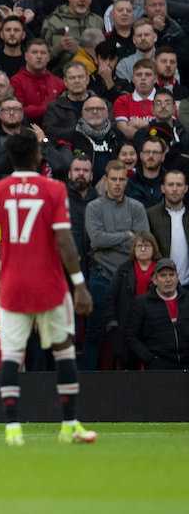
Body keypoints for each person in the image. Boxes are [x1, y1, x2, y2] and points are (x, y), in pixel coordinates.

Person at [0, 130, 97, 445]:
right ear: (37, 157)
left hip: (13, 286)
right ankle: (70, 425)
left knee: (12, 356)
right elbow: (63, 239)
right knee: (63, 351)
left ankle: (13, 429)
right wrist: (79, 284)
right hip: (50, 285)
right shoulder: (53, 188)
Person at [84, 159, 149, 370]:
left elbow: (141, 244)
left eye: (122, 179)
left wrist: (107, 241)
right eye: (114, 179)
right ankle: (87, 382)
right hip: (101, 277)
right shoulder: (94, 207)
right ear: (105, 180)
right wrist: (126, 236)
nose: (118, 183)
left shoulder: (137, 207)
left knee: (133, 332)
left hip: (130, 278)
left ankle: (132, 382)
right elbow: (96, 238)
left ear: (127, 181)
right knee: (94, 332)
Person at [105, 231, 160, 369]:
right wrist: (113, 326)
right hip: (128, 327)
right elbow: (110, 299)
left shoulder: (162, 270)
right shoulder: (123, 270)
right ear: (133, 249)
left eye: (147, 246)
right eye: (139, 246)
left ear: (154, 249)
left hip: (154, 328)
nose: (142, 249)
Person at [124, 257, 189, 368]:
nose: (168, 280)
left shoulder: (187, 299)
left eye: (171, 275)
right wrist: (149, 358)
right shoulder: (141, 303)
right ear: (154, 279)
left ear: (177, 277)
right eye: (163, 275)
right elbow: (130, 336)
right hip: (160, 365)